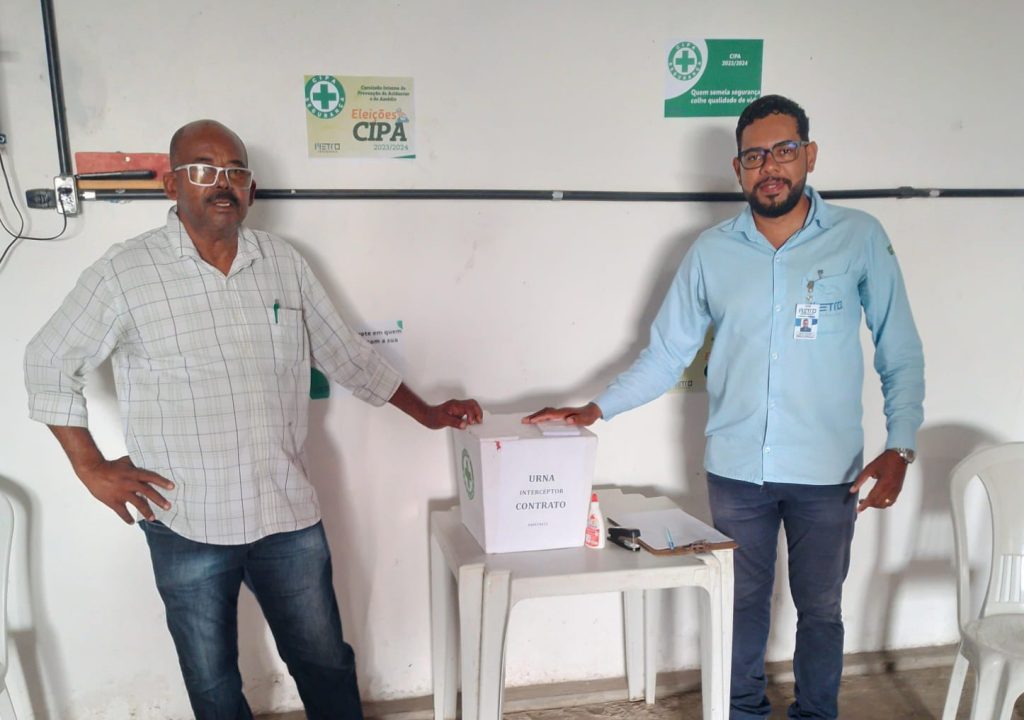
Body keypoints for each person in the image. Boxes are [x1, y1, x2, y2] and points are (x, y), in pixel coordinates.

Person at [24, 119, 482, 720]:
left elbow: (344, 354)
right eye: (203, 170)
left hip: (283, 511)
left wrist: (426, 412)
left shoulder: (282, 263)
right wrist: (91, 468)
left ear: (251, 189)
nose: (222, 182)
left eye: (235, 171)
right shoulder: (125, 273)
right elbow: (48, 360)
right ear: (171, 185)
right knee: (213, 683)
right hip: (186, 517)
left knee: (324, 661)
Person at [525, 95, 924, 719]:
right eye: (755, 157)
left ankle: (817, 713)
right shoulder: (711, 253)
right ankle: (742, 712)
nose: (771, 167)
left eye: (784, 151)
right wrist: (596, 409)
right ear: (738, 169)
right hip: (738, 472)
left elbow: (899, 351)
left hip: (829, 473)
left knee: (821, 609)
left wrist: (901, 446)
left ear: (810, 155)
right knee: (740, 605)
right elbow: (666, 356)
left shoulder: (859, 238)